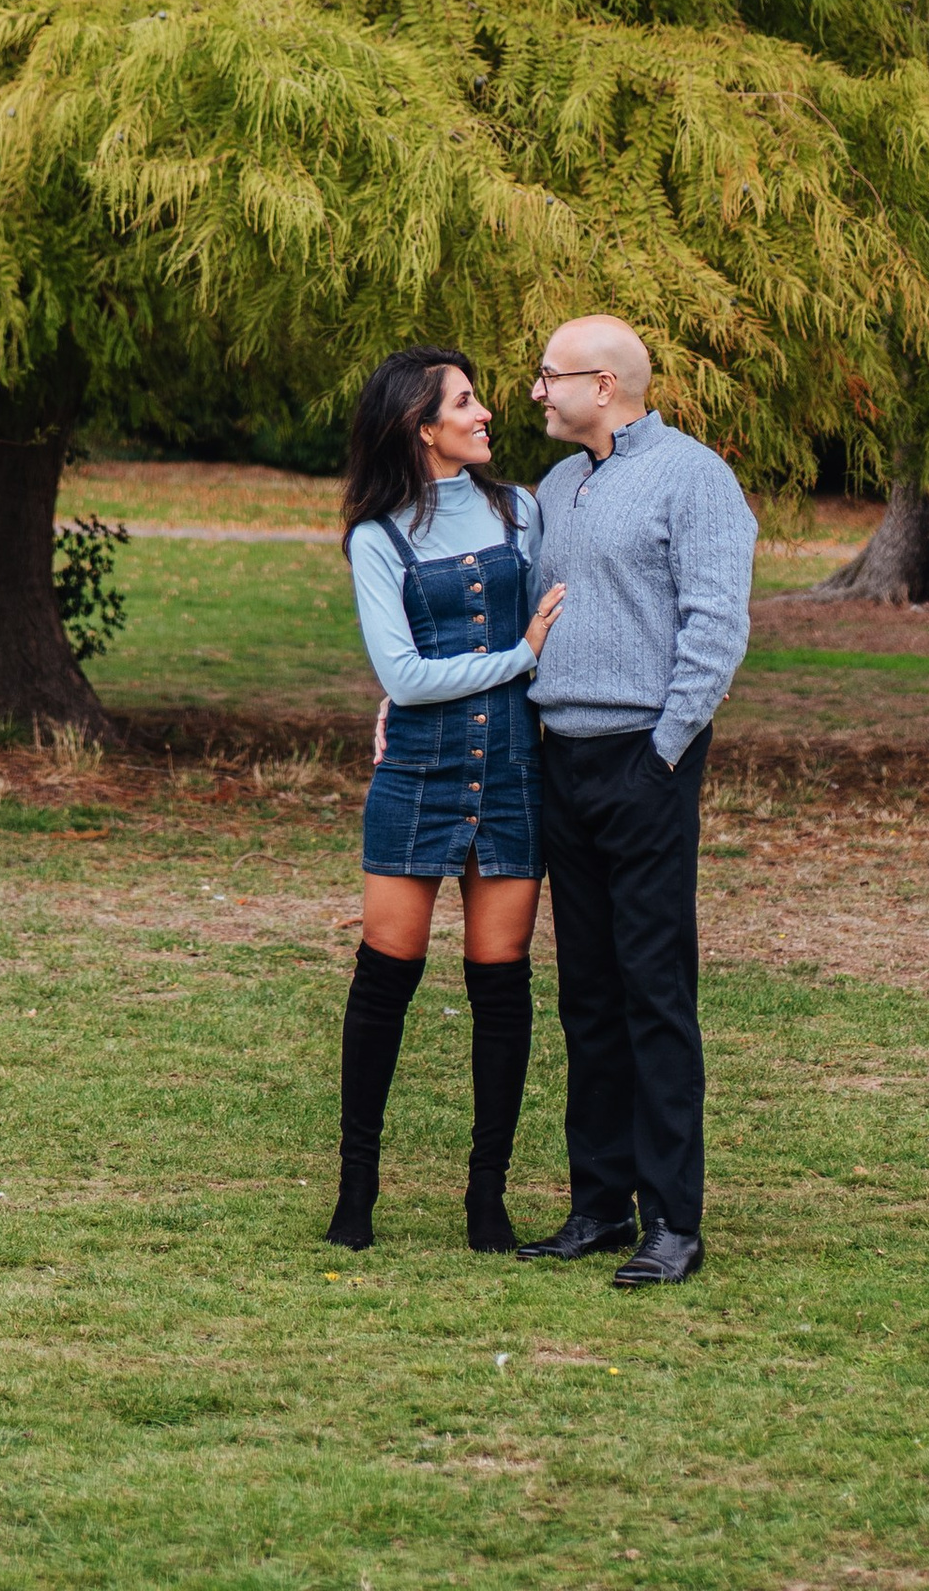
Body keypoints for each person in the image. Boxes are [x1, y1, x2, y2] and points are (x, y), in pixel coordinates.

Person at [515, 316, 757, 1289]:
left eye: (547, 376)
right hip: (559, 761)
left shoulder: (692, 477)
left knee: (653, 990)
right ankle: (598, 1205)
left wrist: (663, 752)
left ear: (604, 384)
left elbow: (715, 621)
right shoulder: (556, 486)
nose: (534, 391)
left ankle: (673, 1222)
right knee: (586, 995)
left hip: (641, 762)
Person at [329, 344, 567, 1254]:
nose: (485, 414)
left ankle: (487, 1199)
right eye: (465, 403)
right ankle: (357, 1193)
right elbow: (402, 672)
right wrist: (520, 657)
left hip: (511, 775)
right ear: (420, 428)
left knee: (501, 988)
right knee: (384, 978)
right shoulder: (376, 536)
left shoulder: (522, 511)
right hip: (417, 776)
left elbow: (555, 606)